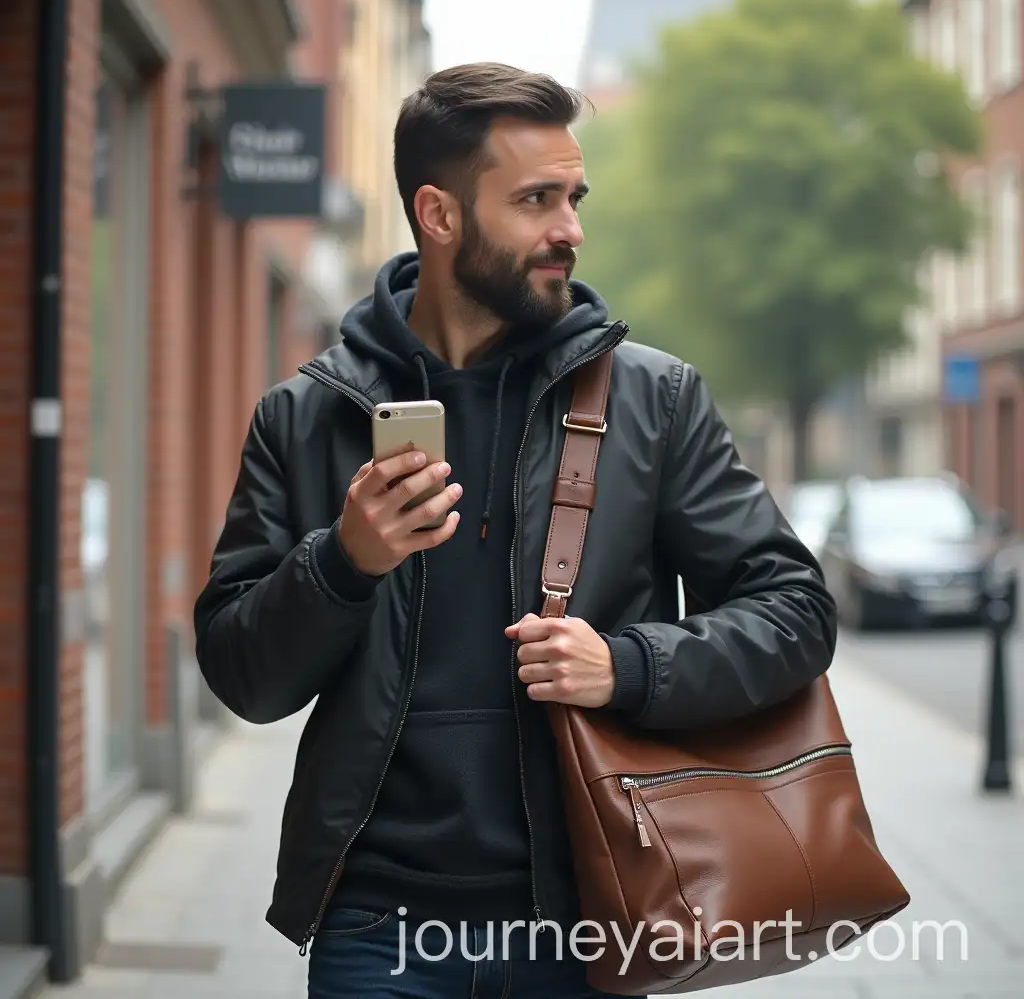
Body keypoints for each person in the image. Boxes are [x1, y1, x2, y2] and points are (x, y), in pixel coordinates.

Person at [193, 62, 837, 999]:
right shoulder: (305, 417)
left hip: (592, 912)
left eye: (573, 197)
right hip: (376, 927)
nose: (569, 229)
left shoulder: (655, 401)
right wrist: (344, 563)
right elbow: (241, 677)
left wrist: (629, 665)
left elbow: (797, 614)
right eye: (536, 200)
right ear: (440, 214)